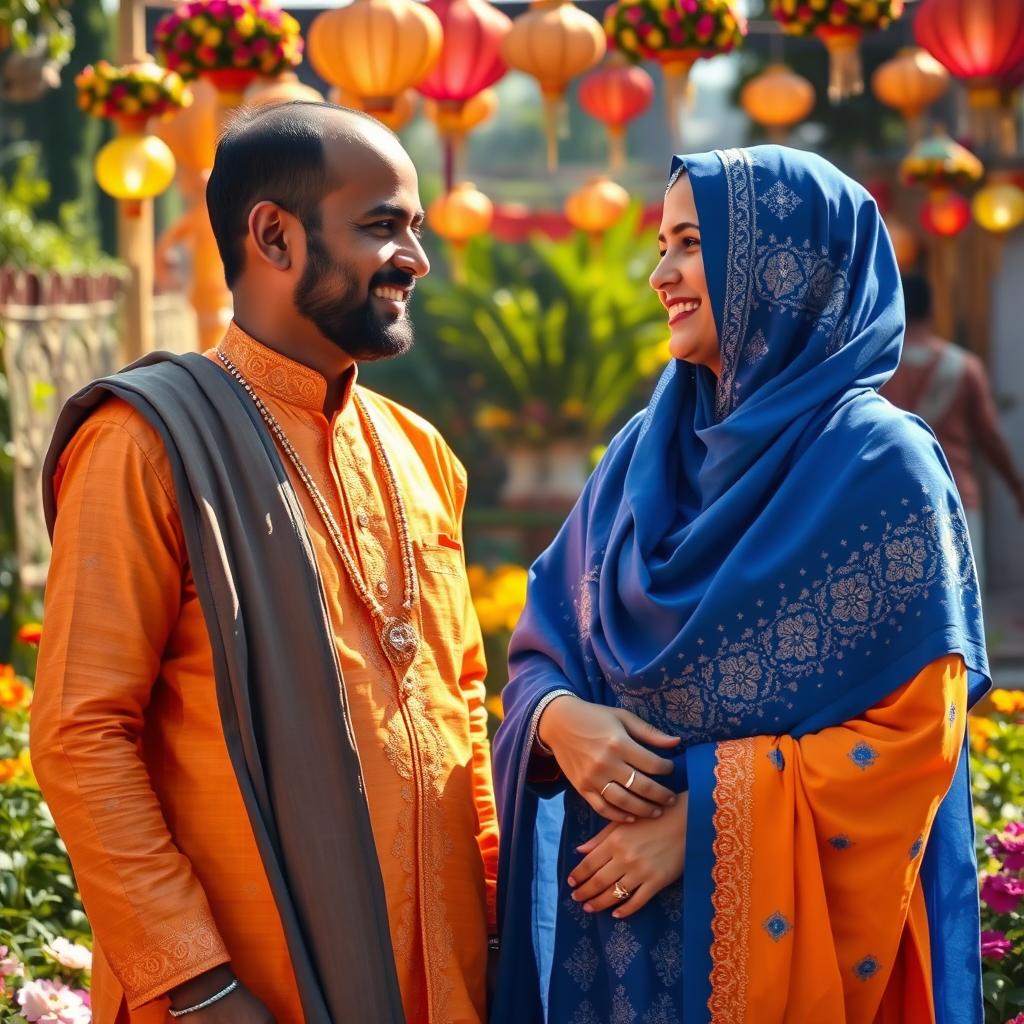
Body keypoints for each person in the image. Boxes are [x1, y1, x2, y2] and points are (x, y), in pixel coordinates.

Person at [492, 146, 989, 1024]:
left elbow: (915, 737)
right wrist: (561, 724)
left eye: (690, 242)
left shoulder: (880, 467)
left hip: (780, 946)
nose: (661, 274)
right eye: (661, 245)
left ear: (784, 263)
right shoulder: (643, 452)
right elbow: (542, 645)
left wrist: (702, 827)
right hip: (606, 950)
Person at [31, 102, 498, 1024]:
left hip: (446, 986)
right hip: (242, 995)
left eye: (415, 227)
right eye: (382, 226)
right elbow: (82, 734)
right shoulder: (146, 443)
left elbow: (462, 708)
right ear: (274, 236)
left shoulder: (420, 452)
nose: (416, 258)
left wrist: (491, 926)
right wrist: (197, 984)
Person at [882, 271, 1024, 591]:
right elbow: (991, 438)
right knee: (961, 601)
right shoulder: (965, 366)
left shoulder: (877, 369)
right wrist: (1016, 486)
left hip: (891, 496)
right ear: (933, 310)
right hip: (955, 494)